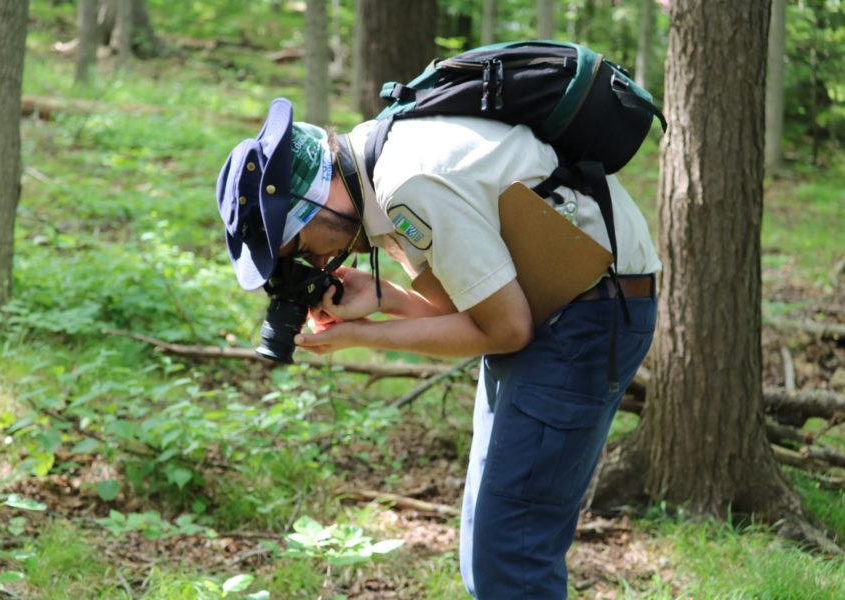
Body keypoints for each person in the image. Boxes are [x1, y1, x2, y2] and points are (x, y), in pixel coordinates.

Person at [216, 97, 661, 599]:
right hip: (558, 306)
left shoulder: (407, 184)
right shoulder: (377, 173)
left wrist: (361, 336)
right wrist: (385, 299)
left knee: (509, 554)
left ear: (315, 198)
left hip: (585, 316)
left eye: (299, 247)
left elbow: (506, 329)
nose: (317, 260)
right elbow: (474, 308)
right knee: (486, 545)